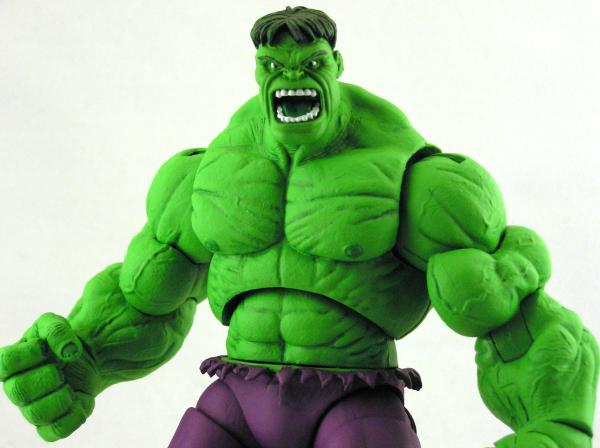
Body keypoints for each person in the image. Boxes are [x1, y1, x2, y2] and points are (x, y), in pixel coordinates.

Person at [1, 6, 597, 448]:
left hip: (354, 402)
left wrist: (555, 426)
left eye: (311, 63)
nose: (293, 76)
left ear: (336, 66)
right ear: (258, 73)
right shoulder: (209, 174)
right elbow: (145, 294)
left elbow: (506, 309)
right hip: (235, 397)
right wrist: (85, 358)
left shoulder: (411, 175)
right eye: (274, 65)